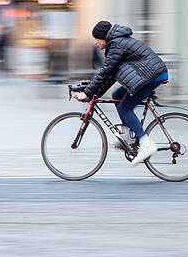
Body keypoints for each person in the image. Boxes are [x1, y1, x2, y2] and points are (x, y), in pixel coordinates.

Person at [71, 21, 168, 166]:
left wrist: (88, 93)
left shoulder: (116, 45)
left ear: (104, 37)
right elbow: (110, 77)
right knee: (117, 95)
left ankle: (145, 143)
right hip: (147, 75)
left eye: (96, 39)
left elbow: (106, 71)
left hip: (151, 76)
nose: (96, 43)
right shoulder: (116, 44)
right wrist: (91, 93)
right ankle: (129, 136)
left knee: (124, 107)